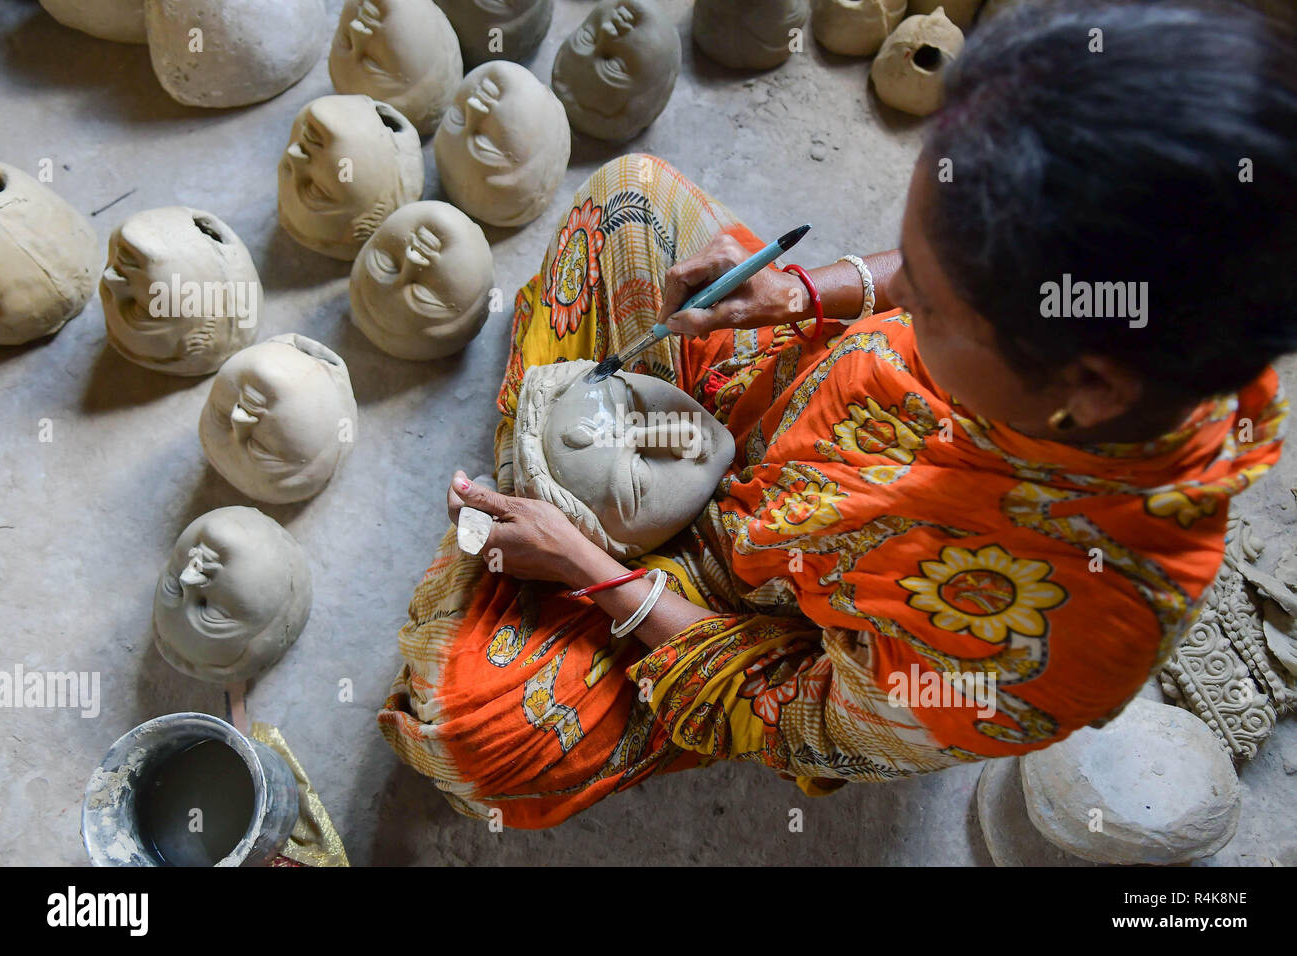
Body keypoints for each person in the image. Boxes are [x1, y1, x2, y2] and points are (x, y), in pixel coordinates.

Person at [378, 0, 1297, 828]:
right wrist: (808, 293)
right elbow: (931, 275)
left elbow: (801, 718)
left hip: (767, 614)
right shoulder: (1085, 313)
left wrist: (595, 570)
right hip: (790, 389)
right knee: (631, 202)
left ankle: (556, 524)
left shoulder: (1040, 649)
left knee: (474, 728)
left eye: (930, 306)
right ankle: (553, 498)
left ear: (1088, 386)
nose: (909, 301)